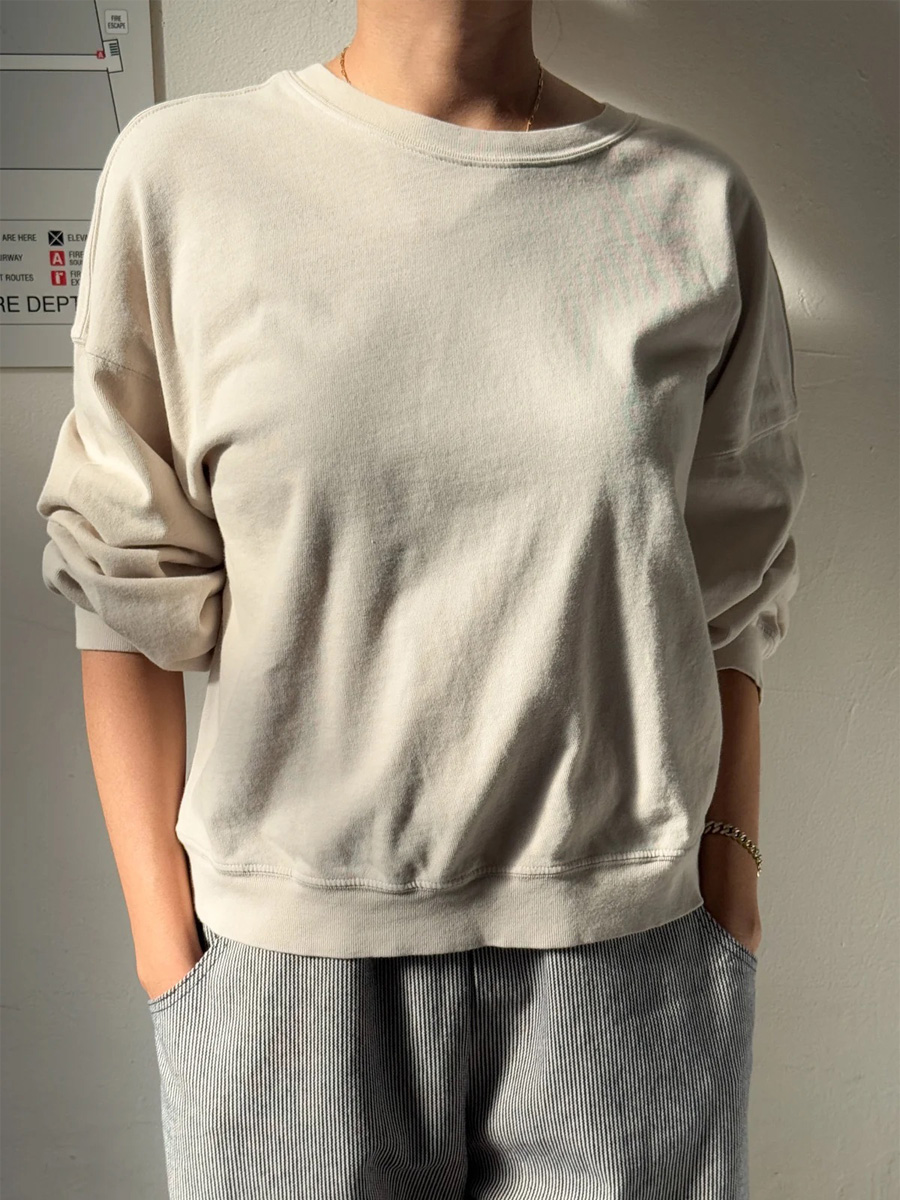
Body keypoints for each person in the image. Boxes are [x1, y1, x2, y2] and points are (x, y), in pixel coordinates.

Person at [35, 2, 807, 1197]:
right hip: (288, 987)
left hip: (626, 969)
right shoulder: (186, 177)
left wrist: (731, 878)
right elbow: (122, 577)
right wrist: (166, 949)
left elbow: (731, 590)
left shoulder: (691, 208)